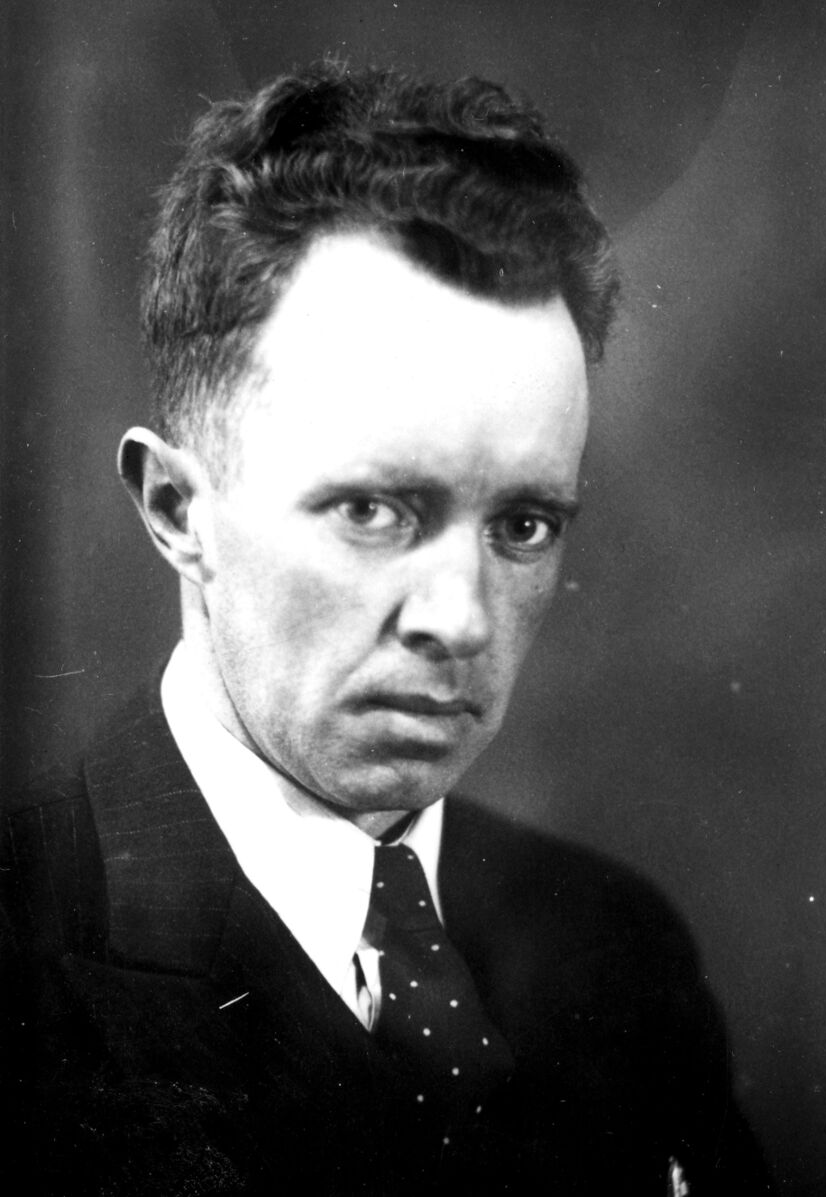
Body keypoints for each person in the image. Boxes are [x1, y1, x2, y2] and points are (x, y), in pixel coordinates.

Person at [1, 61, 770, 1195]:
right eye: (371, 511)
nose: (459, 619)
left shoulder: (618, 950)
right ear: (176, 509)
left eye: (522, 525)